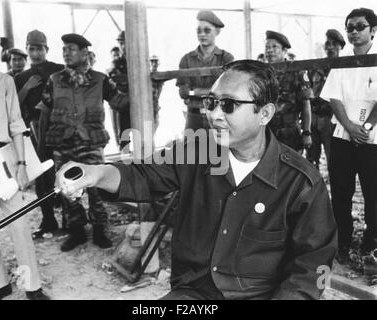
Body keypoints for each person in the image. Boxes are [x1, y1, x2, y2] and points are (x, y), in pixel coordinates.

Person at [56, 60, 337, 300]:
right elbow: (137, 175)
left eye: (228, 105)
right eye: (211, 102)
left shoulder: (301, 182)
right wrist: (94, 173)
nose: (214, 114)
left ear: (264, 113)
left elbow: (313, 267)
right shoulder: (193, 152)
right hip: (194, 294)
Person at [0, 21, 49, 300]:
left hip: (1, 158)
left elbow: (17, 126)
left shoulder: (3, 82)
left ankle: (32, 287)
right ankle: (0, 285)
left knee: (18, 223)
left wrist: (20, 165)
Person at [41, 33, 125, 252]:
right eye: (64, 49)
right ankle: (76, 231)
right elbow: (45, 110)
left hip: (91, 143)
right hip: (63, 143)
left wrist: (144, 84)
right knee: (67, 189)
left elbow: (120, 102)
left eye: (71, 49)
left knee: (97, 187)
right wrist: (42, 144)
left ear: (85, 52)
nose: (66, 53)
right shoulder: (55, 80)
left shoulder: (100, 79)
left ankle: (99, 229)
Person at [320, 8, 377, 261]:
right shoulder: (342, 61)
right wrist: (350, 127)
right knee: (341, 192)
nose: (354, 31)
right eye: (350, 27)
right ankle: (342, 242)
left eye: (360, 27)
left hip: (372, 138)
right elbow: (334, 98)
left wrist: (365, 128)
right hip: (342, 135)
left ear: (373, 31)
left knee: (373, 192)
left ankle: (371, 243)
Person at [14, 30, 64, 239]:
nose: (35, 53)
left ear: (47, 49)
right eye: (31, 49)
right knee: (42, 178)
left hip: (60, 127)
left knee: (64, 172)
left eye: (39, 48)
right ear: (27, 50)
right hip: (36, 132)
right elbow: (12, 107)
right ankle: (48, 220)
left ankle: (72, 221)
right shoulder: (20, 78)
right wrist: (26, 88)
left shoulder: (59, 70)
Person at [176, 10, 234, 130]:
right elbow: (183, 93)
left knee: (219, 149)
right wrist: (212, 91)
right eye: (199, 31)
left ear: (217, 32)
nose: (202, 34)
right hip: (193, 118)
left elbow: (227, 91)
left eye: (207, 30)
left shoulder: (226, 58)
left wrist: (195, 92)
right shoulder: (186, 59)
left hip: (218, 116)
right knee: (190, 148)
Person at [265, 30, 313, 152]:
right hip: (267, 130)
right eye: (267, 47)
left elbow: (306, 105)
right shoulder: (262, 74)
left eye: (274, 47)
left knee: (291, 167)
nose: (269, 50)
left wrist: (306, 132)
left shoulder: (297, 72)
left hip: (290, 131)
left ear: (285, 51)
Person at [306, 29, 345, 170]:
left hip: (332, 118)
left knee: (332, 157)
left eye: (334, 44)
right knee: (312, 157)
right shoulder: (316, 68)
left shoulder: (344, 67)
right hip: (315, 116)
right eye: (327, 44)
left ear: (340, 46)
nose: (330, 47)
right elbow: (309, 90)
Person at [108, 30, 131, 150]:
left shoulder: (140, 60)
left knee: (145, 136)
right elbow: (115, 78)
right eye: (121, 43)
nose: (123, 46)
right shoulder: (116, 63)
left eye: (125, 43)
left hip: (141, 104)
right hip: (124, 104)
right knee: (124, 138)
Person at [150, 54, 163, 131]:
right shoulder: (146, 74)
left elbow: (159, 91)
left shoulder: (160, 75)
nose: (154, 64)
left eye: (155, 62)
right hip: (147, 102)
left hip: (154, 102)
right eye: (152, 62)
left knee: (155, 122)